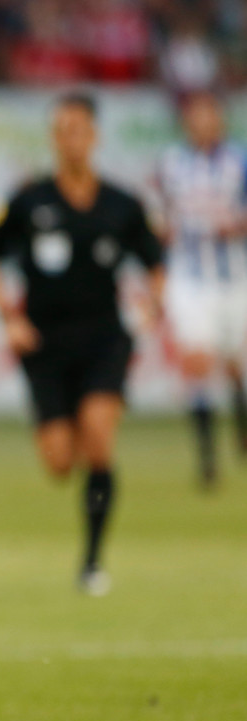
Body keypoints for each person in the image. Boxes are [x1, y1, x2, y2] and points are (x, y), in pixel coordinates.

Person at [0, 93, 164, 597]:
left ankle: (93, 562)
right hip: (44, 344)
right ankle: (78, 447)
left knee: (99, 435)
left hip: (104, 338)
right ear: (53, 139)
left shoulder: (123, 204)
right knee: (60, 462)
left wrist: (152, 305)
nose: (69, 138)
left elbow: (156, 263)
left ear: (94, 136)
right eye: (60, 130)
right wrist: (7, 316)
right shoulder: (29, 200)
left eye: (77, 128)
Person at [153, 90, 247, 489]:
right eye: (195, 116)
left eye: (209, 115)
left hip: (236, 277)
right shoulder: (171, 164)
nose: (202, 123)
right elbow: (159, 215)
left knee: (236, 366)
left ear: (220, 121)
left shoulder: (239, 161)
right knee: (196, 362)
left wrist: (237, 225)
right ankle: (207, 460)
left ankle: (241, 432)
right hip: (189, 279)